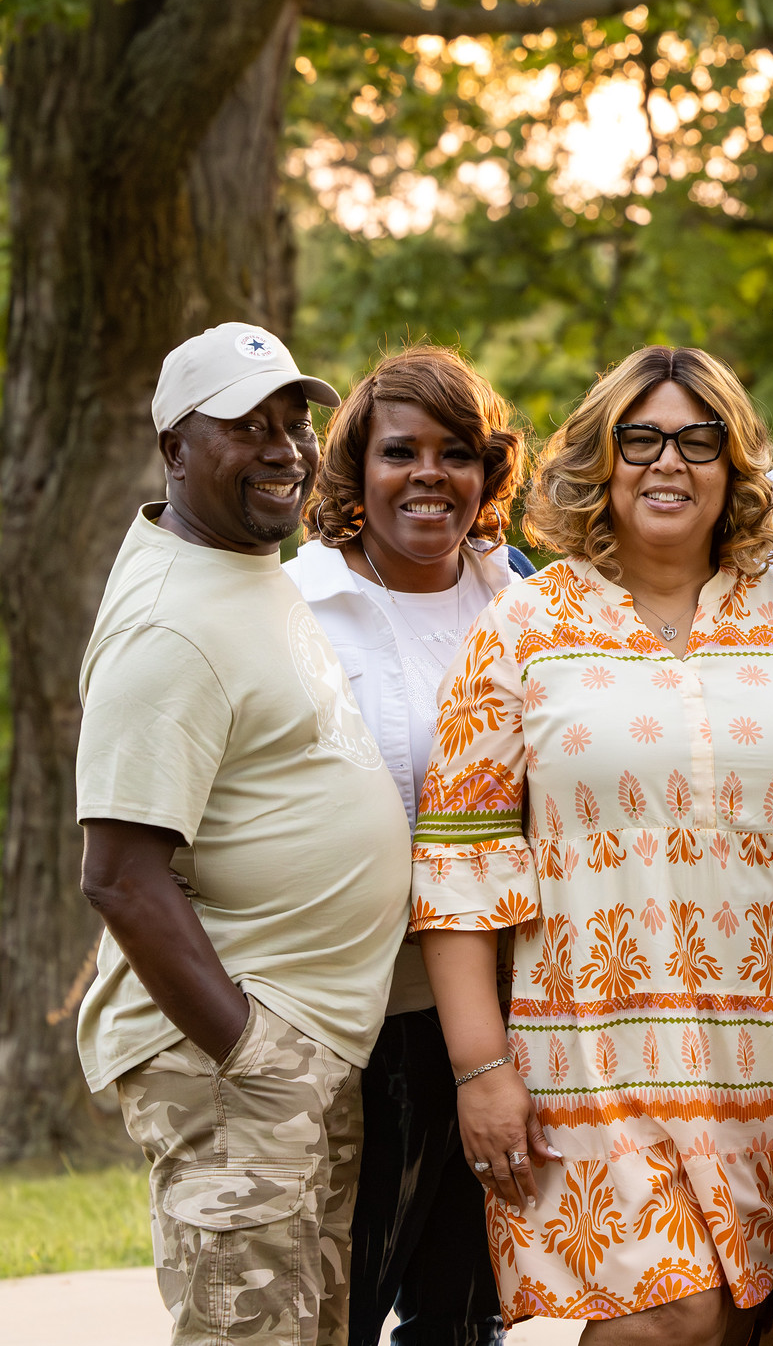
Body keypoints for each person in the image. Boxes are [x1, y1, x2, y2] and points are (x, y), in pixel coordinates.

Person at [410, 345, 773, 1344]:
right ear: (600, 461)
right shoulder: (523, 626)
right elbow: (457, 861)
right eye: (639, 438)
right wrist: (479, 1067)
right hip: (588, 1057)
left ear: (733, 465)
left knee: (735, 1320)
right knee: (674, 1314)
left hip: (771, 1059)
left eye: (698, 440)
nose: (667, 462)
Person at [76, 322, 411, 1345]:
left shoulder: (243, 567)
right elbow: (119, 876)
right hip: (237, 1061)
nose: (284, 449)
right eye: (247, 427)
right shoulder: (166, 624)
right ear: (175, 449)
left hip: (297, 1047)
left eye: (293, 422)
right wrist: (251, 1052)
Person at [286, 344, 532, 1346]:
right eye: (400, 451)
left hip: (491, 1004)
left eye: (456, 452)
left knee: (464, 1313)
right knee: (337, 1301)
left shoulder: (523, 600)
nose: (429, 474)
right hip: (345, 1010)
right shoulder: (294, 603)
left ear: (488, 472)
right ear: (356, 469)